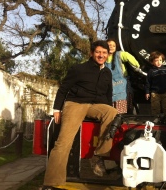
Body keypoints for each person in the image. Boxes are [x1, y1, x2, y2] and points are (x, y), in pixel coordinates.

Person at [42, 41, 118, 190]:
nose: (101, 55)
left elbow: (108, 94)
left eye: (104, 52)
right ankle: (50, 183)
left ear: (108, 54)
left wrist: (107, 107)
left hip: (95, 106)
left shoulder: (107, 73)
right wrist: (57, 108)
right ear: (91, 53)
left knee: (112, 112)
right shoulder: (79, 69)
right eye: (98, 52)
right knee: (63, 142)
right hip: (75, 104)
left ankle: (99, 155)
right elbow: (64, 89)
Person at [105, 39, 140, 114]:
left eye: (113, 45)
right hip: (109, 88)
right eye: (109, 45)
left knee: (122, 113)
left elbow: (133, 61)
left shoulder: (119, 54)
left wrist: (136, 67)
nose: (111, 47)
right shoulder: (103, 58)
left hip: (121, 88)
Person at [145, 51, 166, 118]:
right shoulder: (151, 71)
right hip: (155, 93)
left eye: (160, 60)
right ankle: (156, 118)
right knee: (155, 107)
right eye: (156, 61)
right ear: (152, 62)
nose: (159, 62)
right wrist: (147, 92)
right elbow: (148, 82)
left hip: (165, 92)